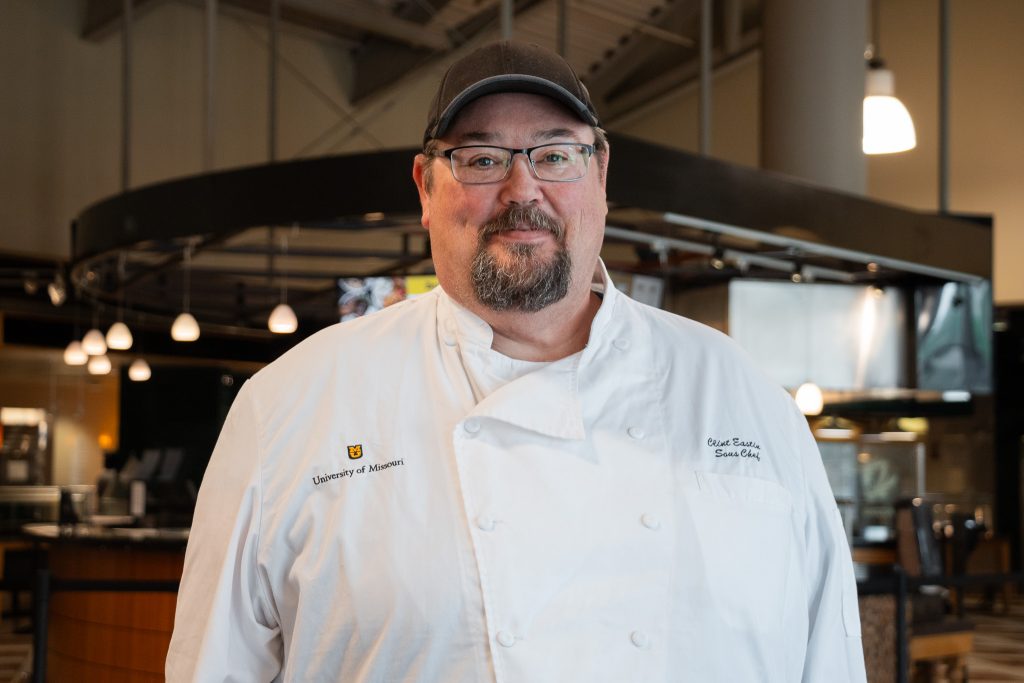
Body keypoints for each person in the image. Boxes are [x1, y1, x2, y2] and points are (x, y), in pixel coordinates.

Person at [166, 41, 866, 682]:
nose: (522, 190)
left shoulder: (743, 395)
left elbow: (829, 660)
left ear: (600, 175)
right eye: (481, 159)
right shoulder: (289, 406)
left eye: (555, 155)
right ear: (425, 188)